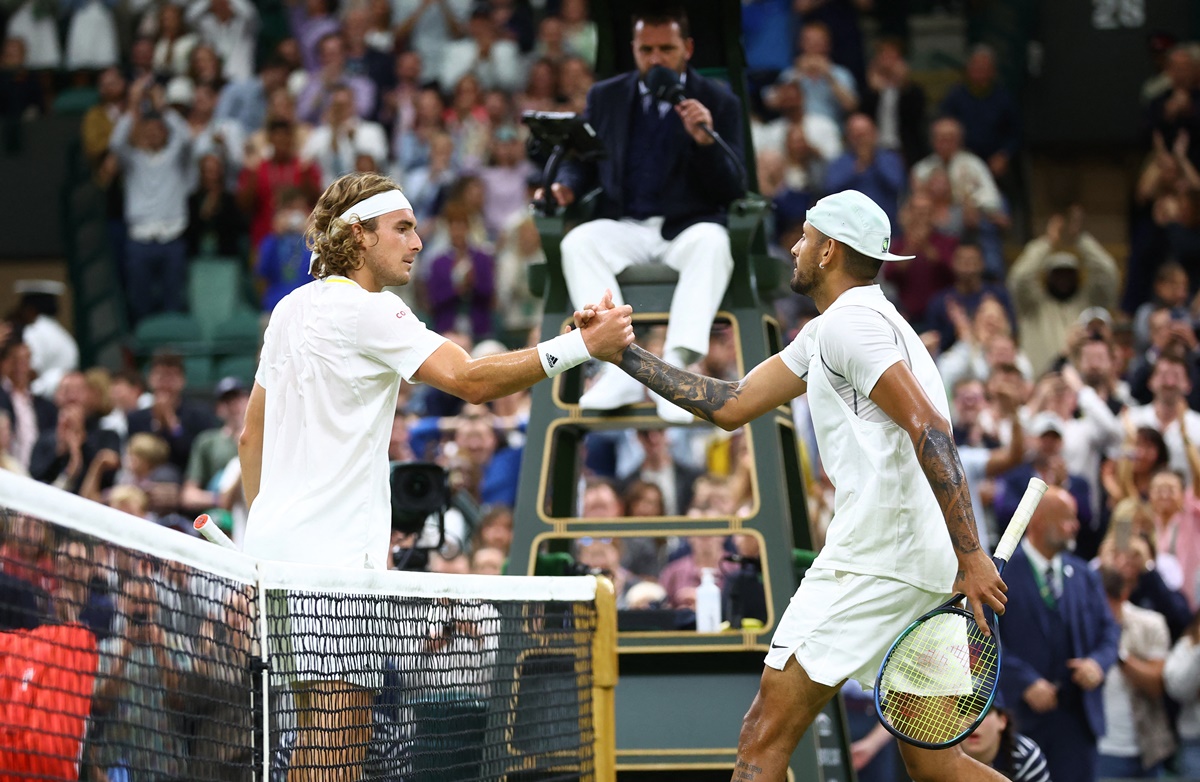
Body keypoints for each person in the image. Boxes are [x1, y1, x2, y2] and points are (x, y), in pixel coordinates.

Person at [588, 188, 1008, 781]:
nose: (795, 246)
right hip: (926, 563)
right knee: (937, 765)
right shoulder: (841, 330)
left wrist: (973, 557)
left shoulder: (850, 328)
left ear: (830, 250)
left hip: (878, 558)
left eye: (806, 236)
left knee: (762, 739)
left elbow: (932, 432)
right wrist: (624, 353)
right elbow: (731, 405)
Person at [238, 171, 632, 781]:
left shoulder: (288, 309)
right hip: (334, 565)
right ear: (360, 237)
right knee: (338, 740)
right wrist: (580, 349)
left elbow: (249, 437)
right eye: (402, 229)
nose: (418, 242)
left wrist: (263, 528)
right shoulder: (373, 310)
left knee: (312, 737)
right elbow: (471, 380)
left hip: (270, 556)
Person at [541, 4, 745, 424]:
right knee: (578, 241)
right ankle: (620, 364)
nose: (655, 59)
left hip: (688, 227)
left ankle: (676, 370)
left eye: (665, 49)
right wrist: (565, 185)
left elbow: (734, 188)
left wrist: (706, 143)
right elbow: (581, 158)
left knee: (714, 242)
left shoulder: (717, 99)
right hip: (626, 224)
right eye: (646, 49)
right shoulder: (606, 95)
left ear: (686, 49)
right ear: (634, 48)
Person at [995, 485, 1120, 782]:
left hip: (1078, 722)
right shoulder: (999, 575)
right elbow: (984, 638)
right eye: (1068, 518)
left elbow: (1110, 630)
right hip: (1020, 720)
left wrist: (1097, 664)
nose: (1076, 526)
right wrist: (1024, 681)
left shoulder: (1085, 574)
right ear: (1039, 521)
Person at [960, 699, 1052, 782]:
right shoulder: (945, 756)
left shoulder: (1026, 755)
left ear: (1002, 721)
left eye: (983, 711)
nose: (971, 721)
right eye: (963, 711)